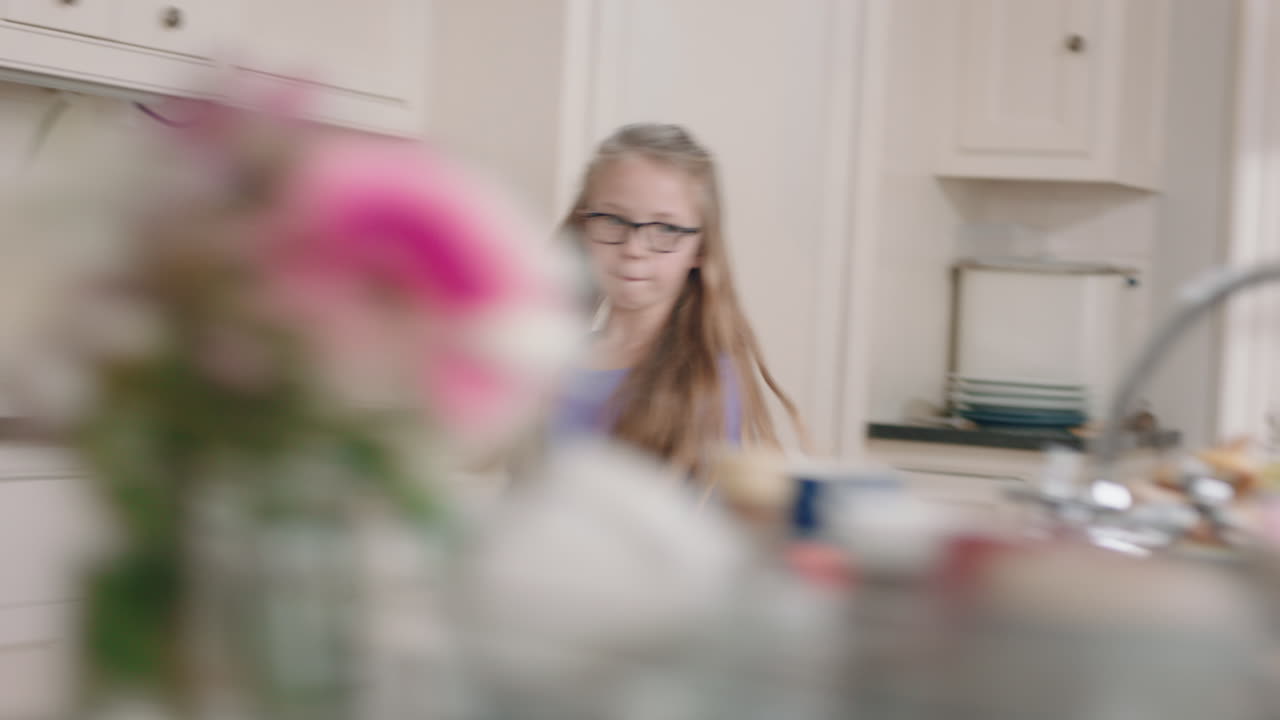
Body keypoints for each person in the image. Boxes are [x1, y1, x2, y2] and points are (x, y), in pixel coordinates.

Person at [552, 123, 808, 478]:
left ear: (700, 249)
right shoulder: (548, 362)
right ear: (583, 227)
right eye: (613, 219)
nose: (634, 248)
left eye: (666, 229)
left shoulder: (704, 384)